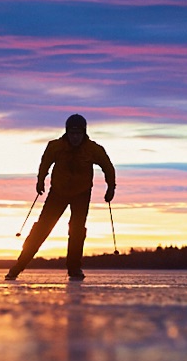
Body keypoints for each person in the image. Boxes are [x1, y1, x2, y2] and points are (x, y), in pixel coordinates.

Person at [6, 114, 116, 281]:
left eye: (78, 133)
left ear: (84, 133)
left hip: (82, 193)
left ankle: (74, 268)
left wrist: (110, 188)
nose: (75, 137)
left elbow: (108, 167)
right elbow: (45, 163)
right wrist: (40, 180)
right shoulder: (55, 146)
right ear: (67, 132)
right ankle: (18, 266)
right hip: (58, 192)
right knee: (42, 227)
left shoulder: (94, 149)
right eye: (72, 133)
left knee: (77, 230)